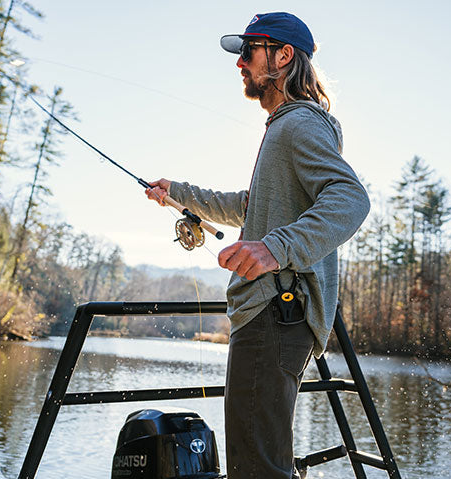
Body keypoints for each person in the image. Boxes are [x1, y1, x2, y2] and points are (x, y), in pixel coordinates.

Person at [145, 12, 370, 479]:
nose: (240, 63)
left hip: (273, 313)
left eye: (250, 51)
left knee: (256, 469)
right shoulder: (287, 128)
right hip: (274, 316)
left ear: (283, 56)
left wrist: (274, 248)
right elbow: (251, 205)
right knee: (260, 461)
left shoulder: (298, 125)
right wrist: (179, 193)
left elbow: (350, 198)